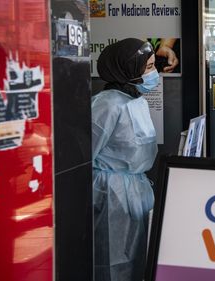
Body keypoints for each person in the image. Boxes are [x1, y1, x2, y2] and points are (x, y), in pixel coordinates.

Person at [92, 38, 158, 281]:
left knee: (137, 259)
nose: (155, 73)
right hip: (112, 195)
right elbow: (83, 154)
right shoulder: (106, 104)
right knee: (112, 259)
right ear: (128, 69)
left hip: (137, 191)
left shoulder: (136, 100)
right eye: (149, 67)